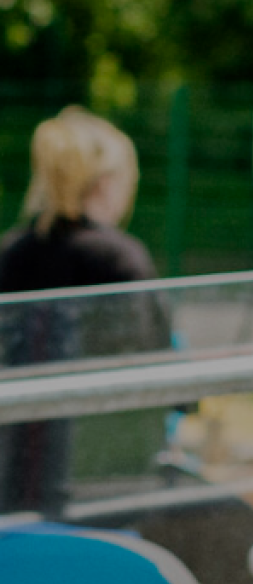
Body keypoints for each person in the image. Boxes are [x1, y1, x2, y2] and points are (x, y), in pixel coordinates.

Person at [0, 106, 163, 517]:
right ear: (108, 184)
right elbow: (157, 375)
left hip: (11, 477)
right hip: (97, 487)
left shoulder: (10, 254)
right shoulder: (120, 260)